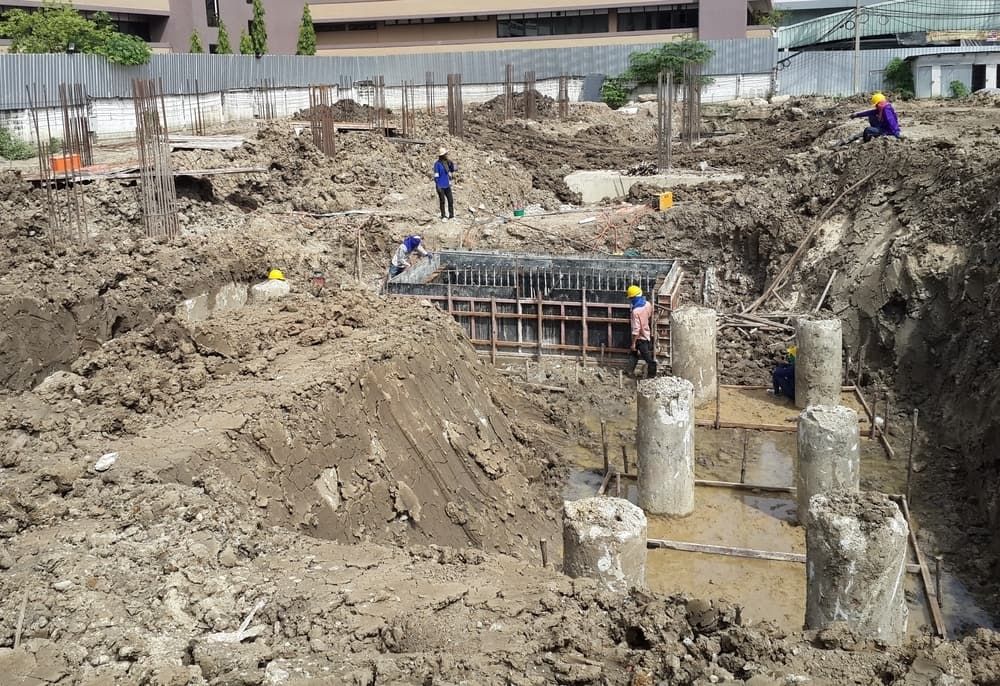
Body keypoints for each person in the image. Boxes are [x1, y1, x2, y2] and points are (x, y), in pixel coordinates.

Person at [625, 285, 657, 379]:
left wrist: (633, 343)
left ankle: (652, 376)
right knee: (633, 354)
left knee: (648, 359)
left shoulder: (636, 311)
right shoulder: (647, 304)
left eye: (631, 298)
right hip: (646, 333)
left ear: (633, 298)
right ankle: (629, 371)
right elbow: (650, 316)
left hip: (641, 338)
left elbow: (636, 329)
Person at [433, 147, 456, 222]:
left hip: (447, 185)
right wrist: (437, 185)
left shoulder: (447, 162)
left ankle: (451, 216)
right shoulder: (437, 164)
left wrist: (451, 163)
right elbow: (436, 175)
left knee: (450, 200)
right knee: (442, 201)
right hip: (440, 185)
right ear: (442, 155)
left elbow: (452, 170)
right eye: (446, 154)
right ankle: (443, 216)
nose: (447, 155)